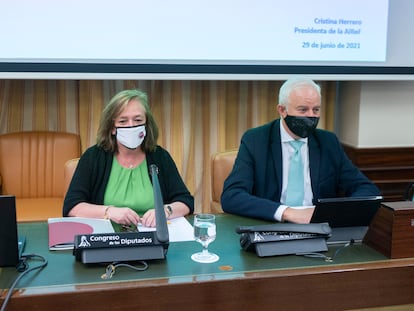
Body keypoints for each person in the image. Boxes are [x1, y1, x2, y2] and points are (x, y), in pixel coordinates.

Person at [221, 77, 380, 224]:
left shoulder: (327, 142)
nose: (311, 116)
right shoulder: (256, 140)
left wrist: (334, 213)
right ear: (282, 110)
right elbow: (232, 196)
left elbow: (367, 189)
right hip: (271, 224)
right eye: (303, 110)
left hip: (318, 227)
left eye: (316, 110)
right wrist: (286, 212)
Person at [63, 89, 194, 231]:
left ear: (146, 125)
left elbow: (185, 201)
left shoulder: (160, 157)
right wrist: (108, 212)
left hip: (153, 237)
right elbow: (72, 206)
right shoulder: (94, 157)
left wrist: (166, 210)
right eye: (123, 121)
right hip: (107, 239)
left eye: (138, 120)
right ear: (112, 128)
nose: (131, 126)